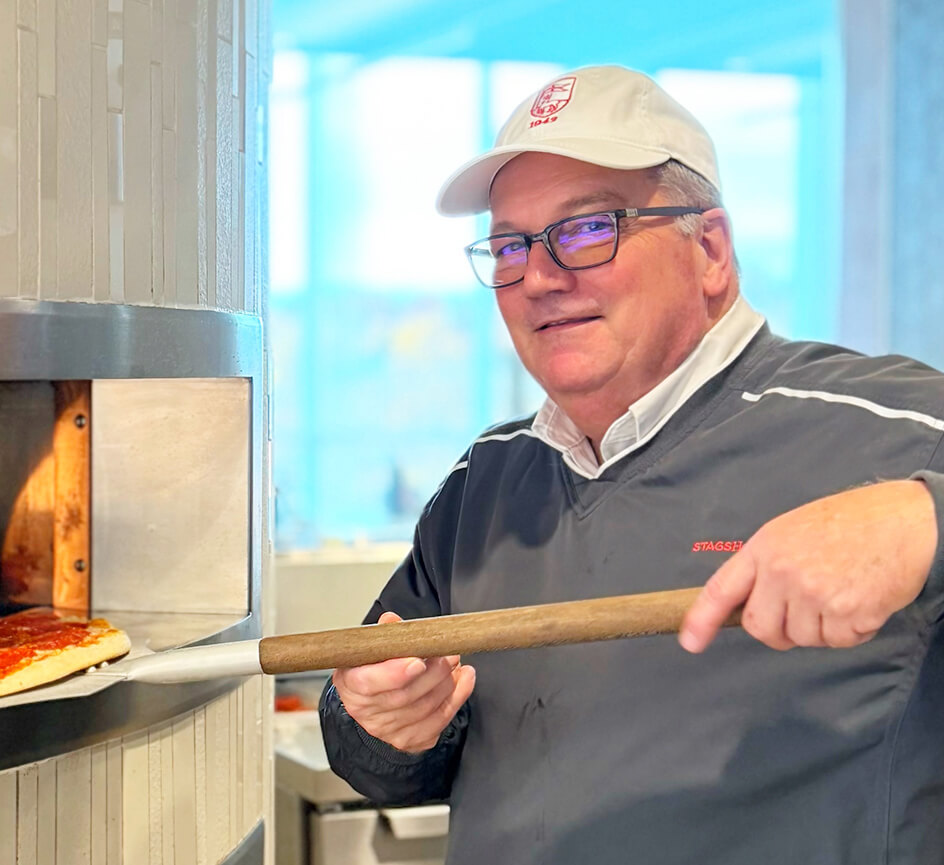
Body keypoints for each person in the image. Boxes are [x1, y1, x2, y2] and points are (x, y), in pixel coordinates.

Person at [319, 65, 944, 864]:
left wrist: (924, 516)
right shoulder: (486, 483)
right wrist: (385, 725)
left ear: (710, 249)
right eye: (510, 245)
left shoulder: (893, 431)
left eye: (589, 228)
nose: (539, 276)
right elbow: (379, 740)